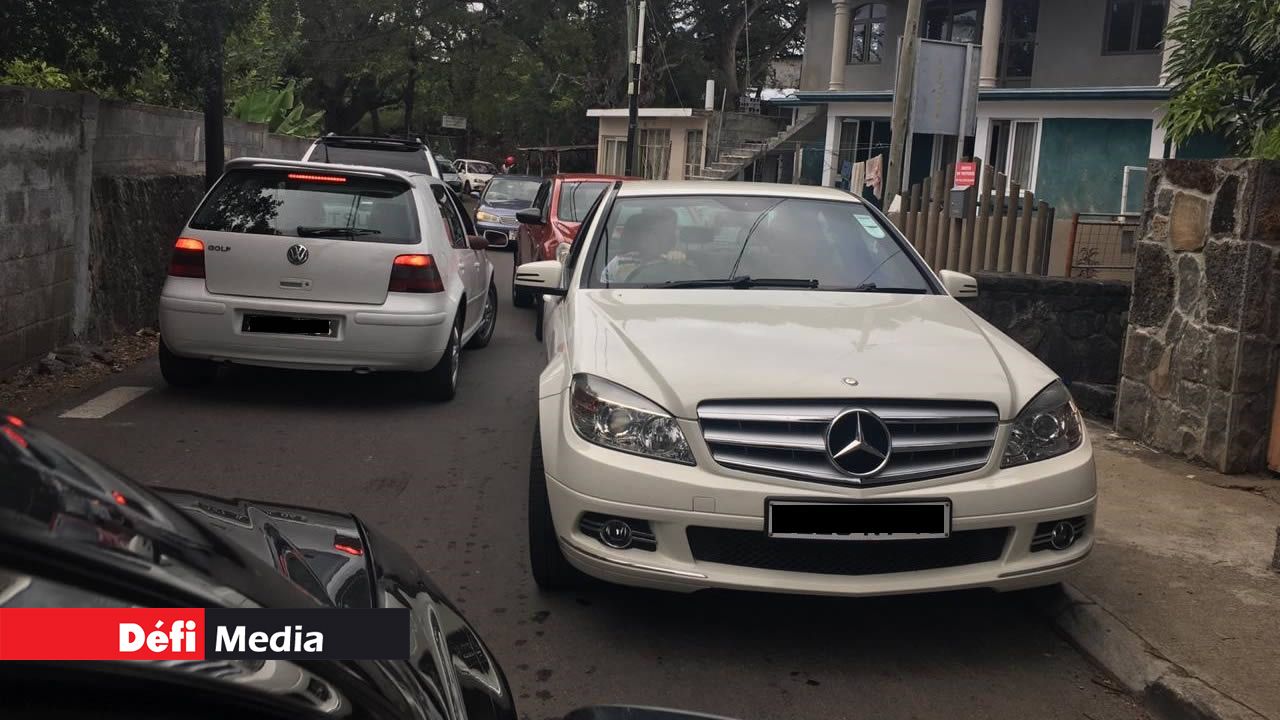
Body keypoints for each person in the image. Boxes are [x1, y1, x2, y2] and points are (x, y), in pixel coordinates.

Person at [600, 207, 694, 284]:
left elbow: (694, 284)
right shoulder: (620, 261)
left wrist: (678, 264)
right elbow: (602, 288)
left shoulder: (678, 259)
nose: (655, 238)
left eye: (663, 233)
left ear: (671, 238)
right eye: (651, 232)